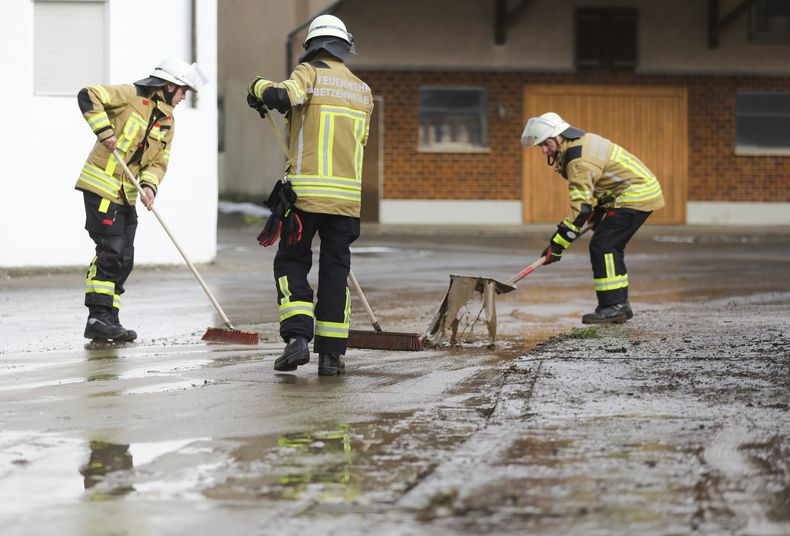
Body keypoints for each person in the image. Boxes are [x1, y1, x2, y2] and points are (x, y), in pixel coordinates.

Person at [247, 14, 373, 375]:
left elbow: (280, 96)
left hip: (305, 197)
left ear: (314, 46)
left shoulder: (309, 73)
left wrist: (256, 87)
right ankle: (331, 357)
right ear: (344, 48)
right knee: (336, 272)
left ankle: (297, 340)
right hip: (347, 202)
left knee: (291, 261)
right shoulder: (363, 91)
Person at [76, 58, 207, 341]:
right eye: (183, 90)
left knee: (124, 258)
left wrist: (149, 186)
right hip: (102, 187)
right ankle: (97, 317)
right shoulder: (130, 95)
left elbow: (159, 161)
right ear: (169, 85)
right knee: (110, 251)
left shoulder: (168, 121)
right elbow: (89, 95)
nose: (184, 97)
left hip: (128, 194)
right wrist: (104, 130)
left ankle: (109, 317)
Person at [521, 112, 665, 324]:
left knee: (605, 245)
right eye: (541, 146)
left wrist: (557, 244)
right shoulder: (581, 142)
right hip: (632, 191)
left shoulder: (578, 160)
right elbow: (603, 180)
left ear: (560, 136)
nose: (544, 151)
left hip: (636, 195)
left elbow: (580, 210)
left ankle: (613, 306)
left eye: (547, 144)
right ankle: (619, 305)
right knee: (607, 244)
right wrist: (600, 210)